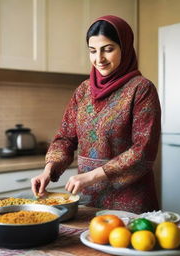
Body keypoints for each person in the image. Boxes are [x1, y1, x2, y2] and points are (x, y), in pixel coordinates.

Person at [31, 15, 161, 214]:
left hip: (130, 201)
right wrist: (48, 170)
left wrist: (91, 176)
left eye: (108, 49)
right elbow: (65, 138)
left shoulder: (141, 89)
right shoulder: (83, 90)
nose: (99, 59)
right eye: (93, 51)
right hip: (88, 199)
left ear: (124, 48)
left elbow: (143, 151)